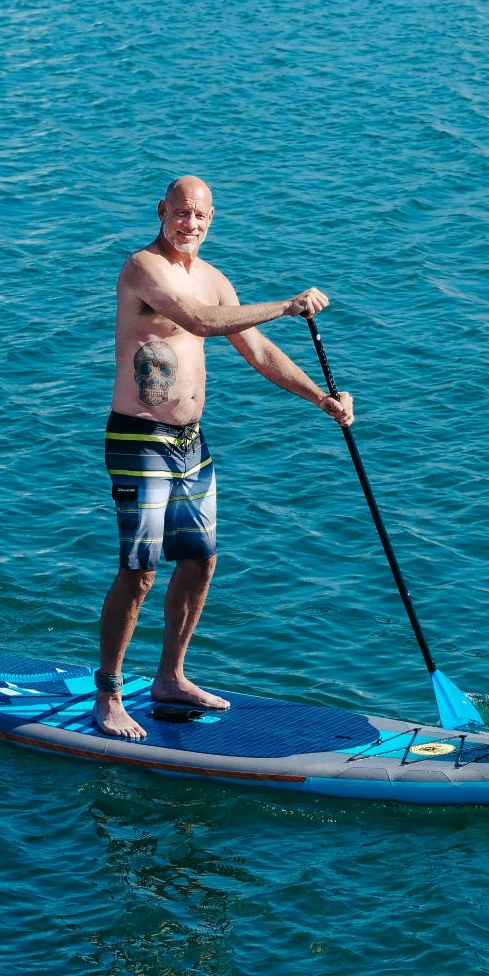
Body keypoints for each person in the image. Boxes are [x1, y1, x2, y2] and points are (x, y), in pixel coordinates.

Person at [96, 176, 354, 739]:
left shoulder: (214, 279)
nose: (190, 225)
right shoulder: (143, 267)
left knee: (199, 561)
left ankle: (170, 678)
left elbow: (257, 350)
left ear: (213, 220)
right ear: (162, 210)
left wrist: (322, 400)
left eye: (201, 217)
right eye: (181, 214)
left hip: (191, 442)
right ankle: (110, 693)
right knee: (139, 573)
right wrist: (286, 305)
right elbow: (198, 321)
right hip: (139, 439)